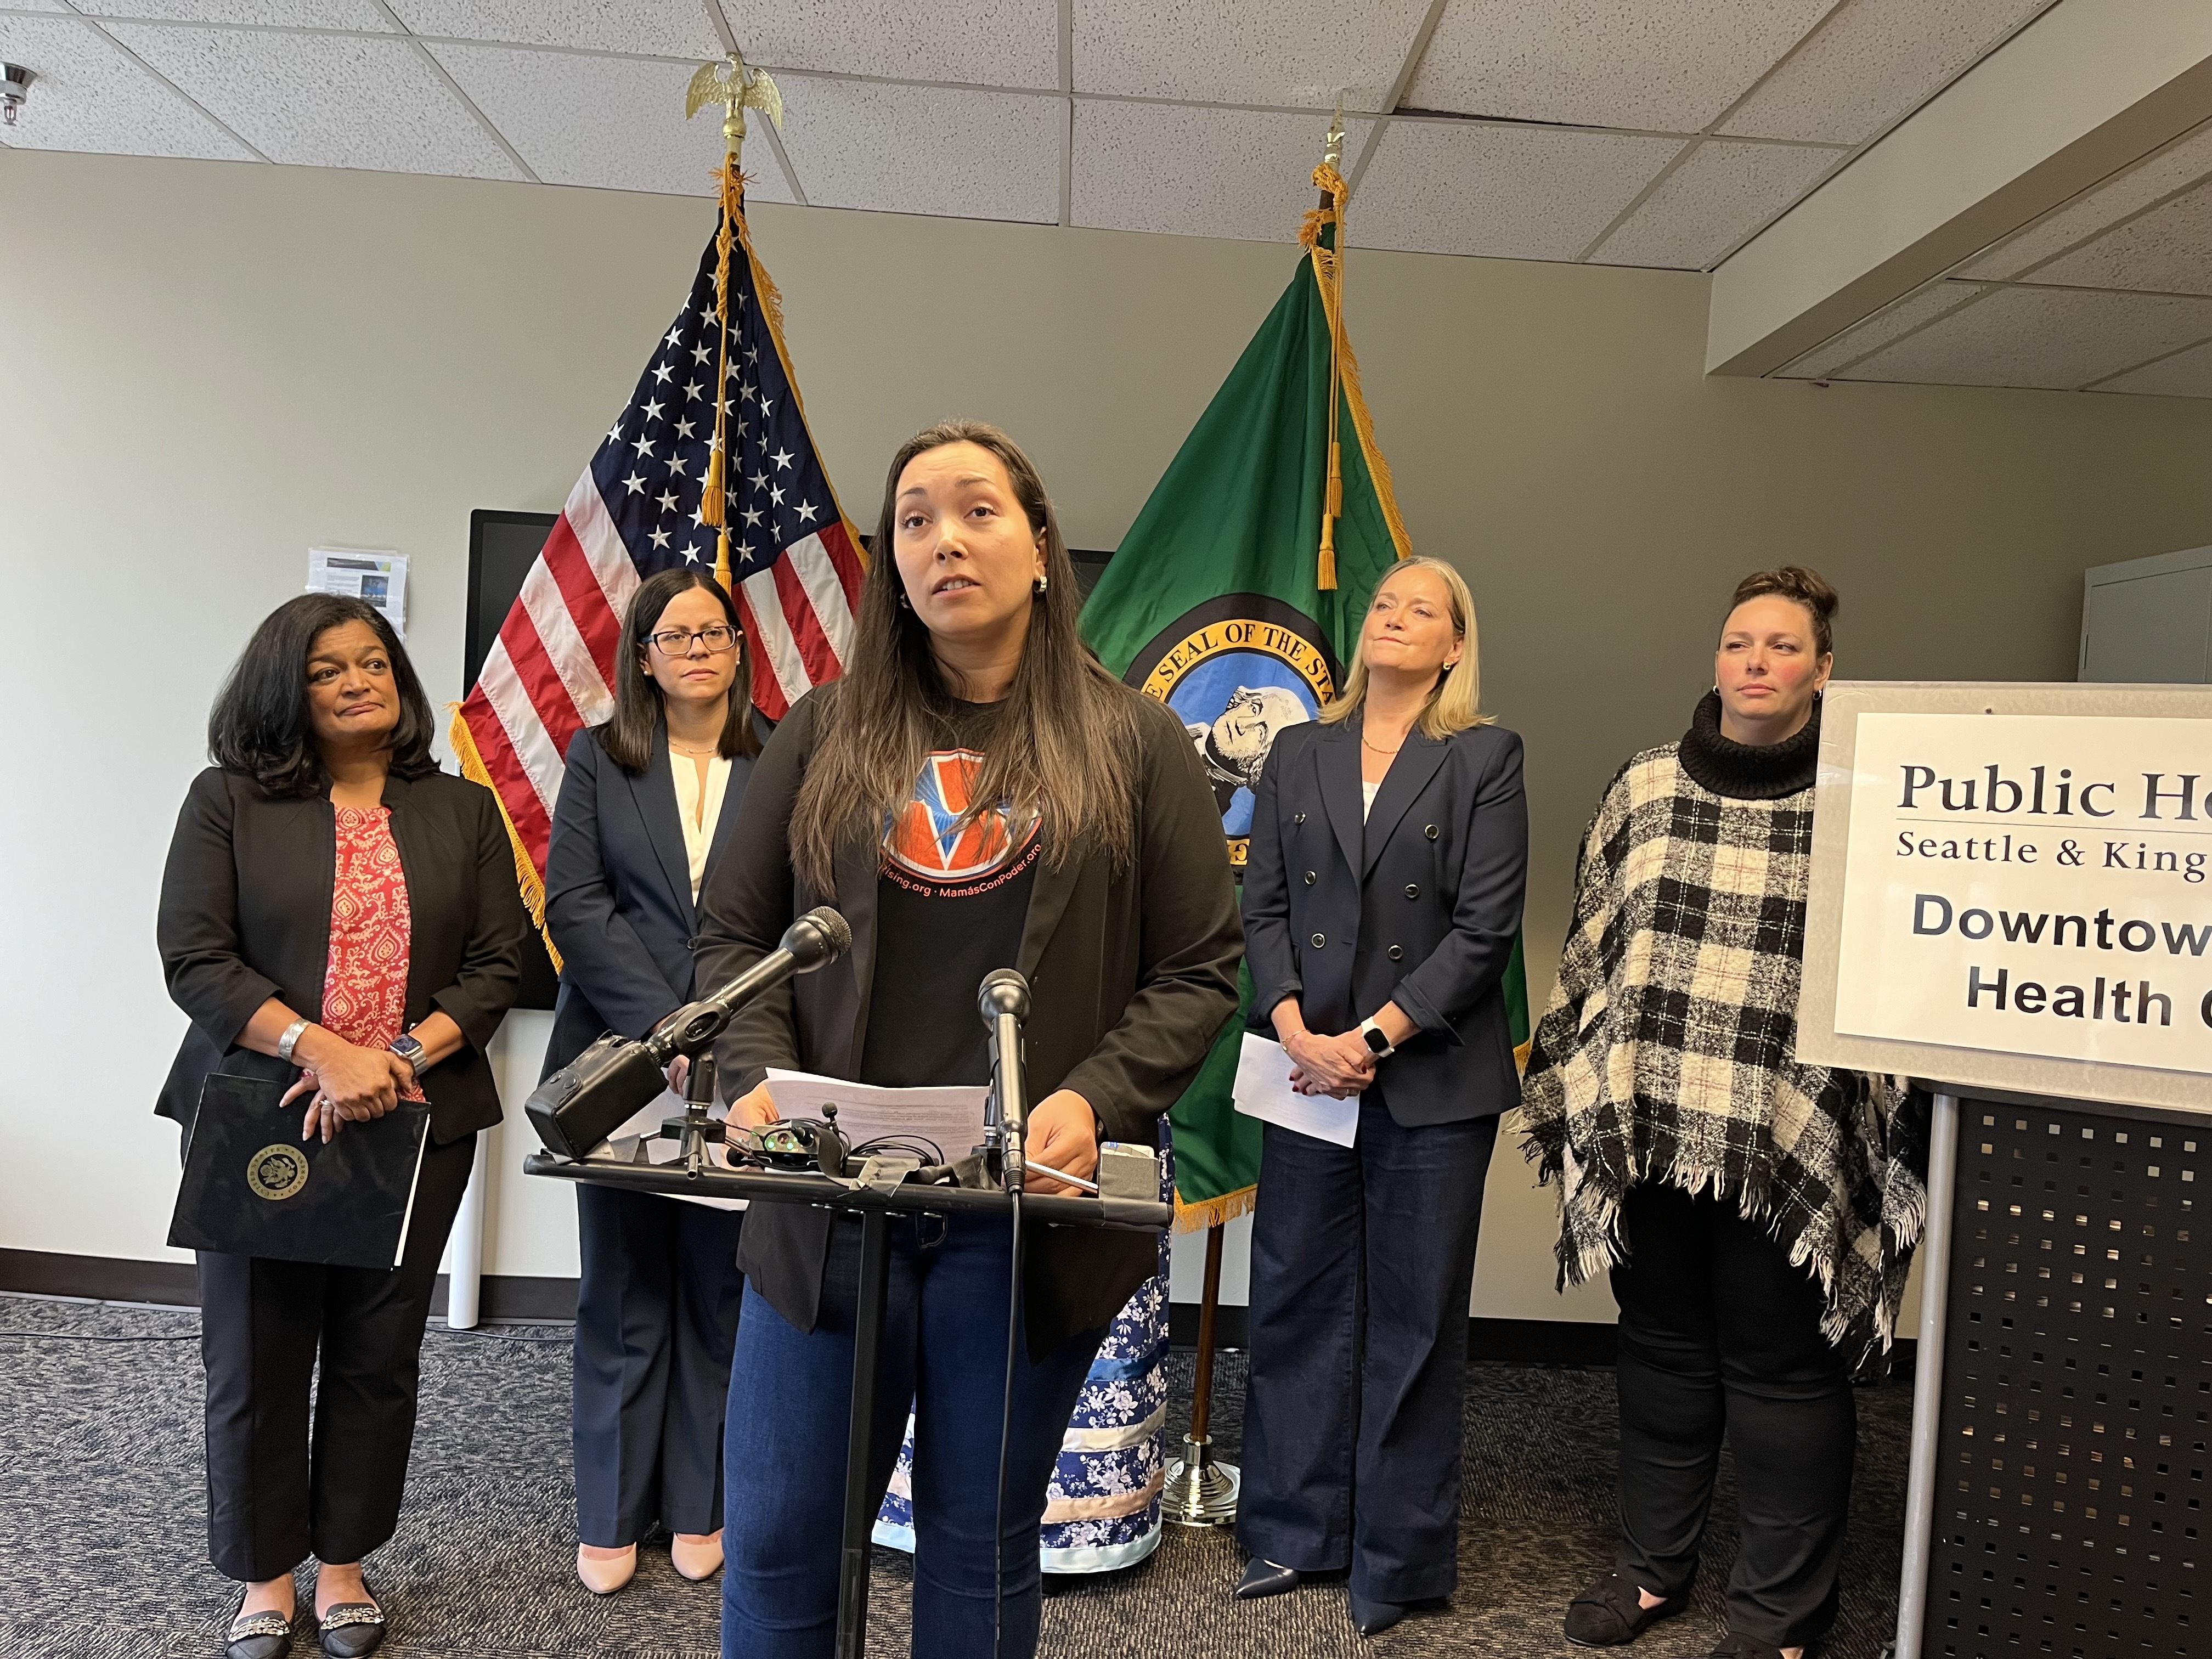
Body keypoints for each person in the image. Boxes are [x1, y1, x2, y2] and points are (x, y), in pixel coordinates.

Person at [695, 418, 1243, 1658]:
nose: (947, 539)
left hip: (1021, 1216)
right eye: (917, 519)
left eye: (979, 510)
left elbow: (1201, 969)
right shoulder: (822, 733)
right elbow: (733, 937)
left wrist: (1098, 1098)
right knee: (780, 1527)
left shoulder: (1134, 743)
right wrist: (751, 1081)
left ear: (1042, 550)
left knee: (976, 1532)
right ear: (893, 565)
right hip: (829, 1200)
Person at [1520, 567, 1926, 1659]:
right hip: (1651, 1120)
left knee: (1782, 1367)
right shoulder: (1645, 784)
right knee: (1660, 1349)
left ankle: (1782, 1613)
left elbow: (1894, 961)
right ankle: (1653, 1572)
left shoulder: (1860, 797)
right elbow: (1595, 942)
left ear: (1823, 670)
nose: (1756, 662)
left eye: (1784, 647)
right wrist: (1579, 1084)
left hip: (1786, 1135)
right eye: (1741, 642)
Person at [157, 595, 523, 1659]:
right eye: (328, 669)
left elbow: (501, 965)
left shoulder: (462, 810)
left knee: (378, 1353)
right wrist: (323, 1050)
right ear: (286, 686)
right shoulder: (225, 800)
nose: (359, 681)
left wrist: (395, 1060)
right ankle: (267, 1580)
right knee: (257, 1355)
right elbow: (196, 956)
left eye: (375, 663)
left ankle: (348, 1565)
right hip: (258, 1113)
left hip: (416, 1122)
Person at [1232, 556, 1528, 1639]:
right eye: (1386, 603)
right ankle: (1289, 1531)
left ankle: (1395, 1562)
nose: (1396, 617)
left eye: (1425, 610)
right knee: (1298, 1298)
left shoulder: (1485, 755)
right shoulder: (1298, 749)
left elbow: (1486, 926)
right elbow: (1262, 904)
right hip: (1307, 1065)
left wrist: (1372, 1035)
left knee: (1412, 1318)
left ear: (1455, 643)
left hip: (1431, 1077)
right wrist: (1297, 1026)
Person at [541, 567, 763, 1595]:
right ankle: (614, 1510)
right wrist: (667, 1028)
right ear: (644, 657)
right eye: (674, 637)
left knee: (722, 1288)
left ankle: (702, 1502)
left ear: (737, 643)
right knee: (624, 1289)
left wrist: (721, 1026)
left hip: (749, 1063)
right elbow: (577, 908)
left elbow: (796, 902)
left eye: (712, 631)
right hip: (626, 1067)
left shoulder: (784, 756)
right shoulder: (600, 758)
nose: (697, 649)